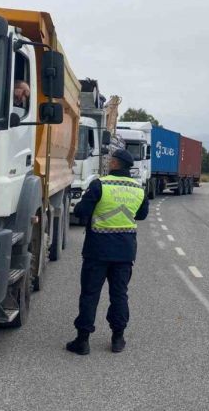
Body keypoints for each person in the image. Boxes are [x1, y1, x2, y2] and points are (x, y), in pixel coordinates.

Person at [67, 149, 149, 355]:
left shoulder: (99, 184)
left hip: (97, 251)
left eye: (110, 160)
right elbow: (142, 215)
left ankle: (83, 340)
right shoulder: (138, 188)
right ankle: (118, 338)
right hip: (125, 252)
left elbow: (80, 212)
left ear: (115, 164)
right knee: (119, 294)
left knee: (90, 294)